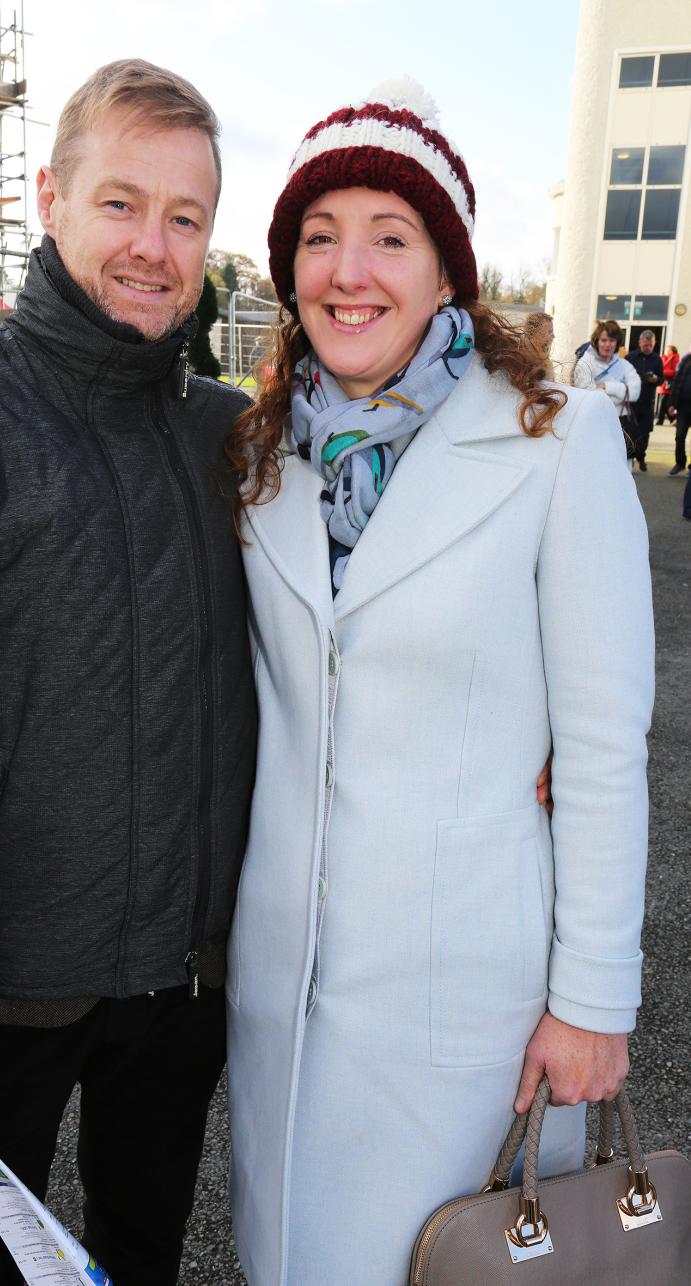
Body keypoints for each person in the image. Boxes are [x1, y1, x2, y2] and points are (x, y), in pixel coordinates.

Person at [223, 79, 654, 1286]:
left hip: (469, 1004)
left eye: (389, 236)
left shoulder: (555, 442)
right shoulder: (261, 457)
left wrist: (592, 999)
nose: (348, 270)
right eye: (319, 237)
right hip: (286, 991)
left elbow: (603, 744)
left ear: (446, 271)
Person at [0, 60, 257, 1286]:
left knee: (140, 1259)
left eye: (184, 216)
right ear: (49, 197)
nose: (153, 246)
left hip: (179, 991)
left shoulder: (231, 437)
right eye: (120, 202)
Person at [573, 319, 641, 465]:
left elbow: (634, 393)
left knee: (622, 465)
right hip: (595, 423)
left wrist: (606, 386)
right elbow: (587, 395)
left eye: (612, 340)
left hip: (621, 425)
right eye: (604, 340)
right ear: (597, 341)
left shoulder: (624, 365)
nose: (608, 344)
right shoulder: (585, 363)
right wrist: (621, 393)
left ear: (617, 343)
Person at [626, 329, 663, 470]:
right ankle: (630, 458)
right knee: (630, 432)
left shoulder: (657, 359)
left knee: (645, 433)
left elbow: (661, 379)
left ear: (654, 343)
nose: (648, 348)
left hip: (648, 402)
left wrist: (656, 379)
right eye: (645, 345)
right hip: (632, 403)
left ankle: (641, 457)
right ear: (640, 342)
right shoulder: (630, 358)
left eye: (650, 345)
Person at [668, 344, 691, 476]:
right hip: (683, 406)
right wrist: (672, 404)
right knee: (679, 436)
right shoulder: (686, 360)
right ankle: (680, 463)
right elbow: (677, 382)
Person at [656, 343, 679, 424]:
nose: (666, 351)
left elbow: (674, 371)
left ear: (673, 352)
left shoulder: (675, 359)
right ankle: (673, 419)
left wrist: (663, 372)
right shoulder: (662, 358)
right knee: (665, 403)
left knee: (665, 403)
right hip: (663, 384)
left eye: (668, 350)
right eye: (666, 349)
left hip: (670, 384)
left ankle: (661, 420)